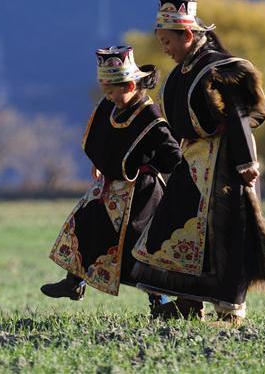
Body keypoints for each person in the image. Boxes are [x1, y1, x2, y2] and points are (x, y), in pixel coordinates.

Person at [130, 0, 265, 327]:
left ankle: (230, 311)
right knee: (174, 224)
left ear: (186, 35)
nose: (165, 49)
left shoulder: (218, 68)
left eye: (167, 42)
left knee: (227, 234)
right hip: (194, 162)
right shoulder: (182, 72)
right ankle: (187, 301)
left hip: (225, 165)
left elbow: (238, 115)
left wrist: (246, 162)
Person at [43, 46, 181, 308]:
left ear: (129, 86)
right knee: (86, 222)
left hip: (142, 195)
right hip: (110, 188)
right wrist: (100, 162)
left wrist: (150, 167)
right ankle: (74, 281)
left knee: (141, 246)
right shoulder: (112, 105)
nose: (107, 97)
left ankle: (160, 301)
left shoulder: (151, 118)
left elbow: (173, 157)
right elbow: (105, 138)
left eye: (111, 92)